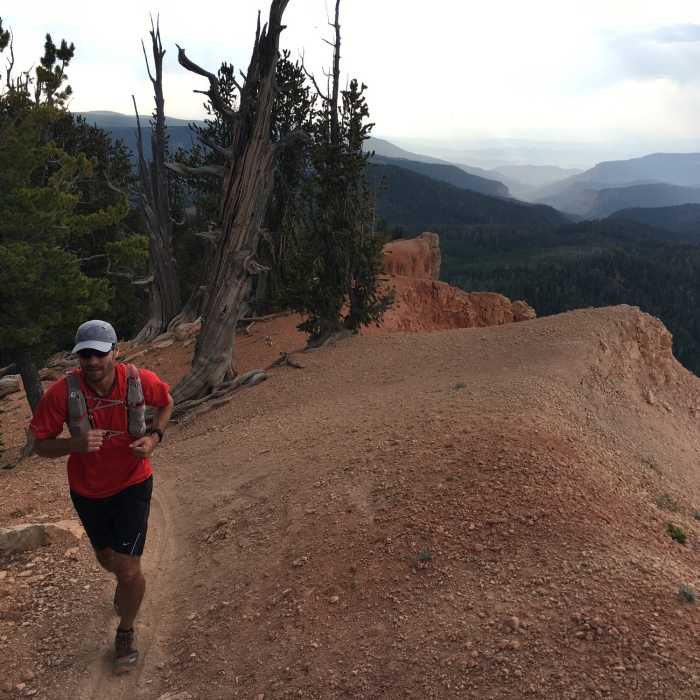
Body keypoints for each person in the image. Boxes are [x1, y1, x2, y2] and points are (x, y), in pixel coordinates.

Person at [29, 319, 174, 674]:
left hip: (133, 482)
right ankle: (121, 586)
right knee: (107, 559)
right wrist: (74, 444)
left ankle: (125, 632)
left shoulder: (140, 381)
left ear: (116, 352)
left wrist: (154, 438)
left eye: (99, 353)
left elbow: (167, 403)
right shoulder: (63, 393)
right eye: (85, 355)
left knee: (127, 569)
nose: (92, 361)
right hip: (88, 490)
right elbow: (40, 445)